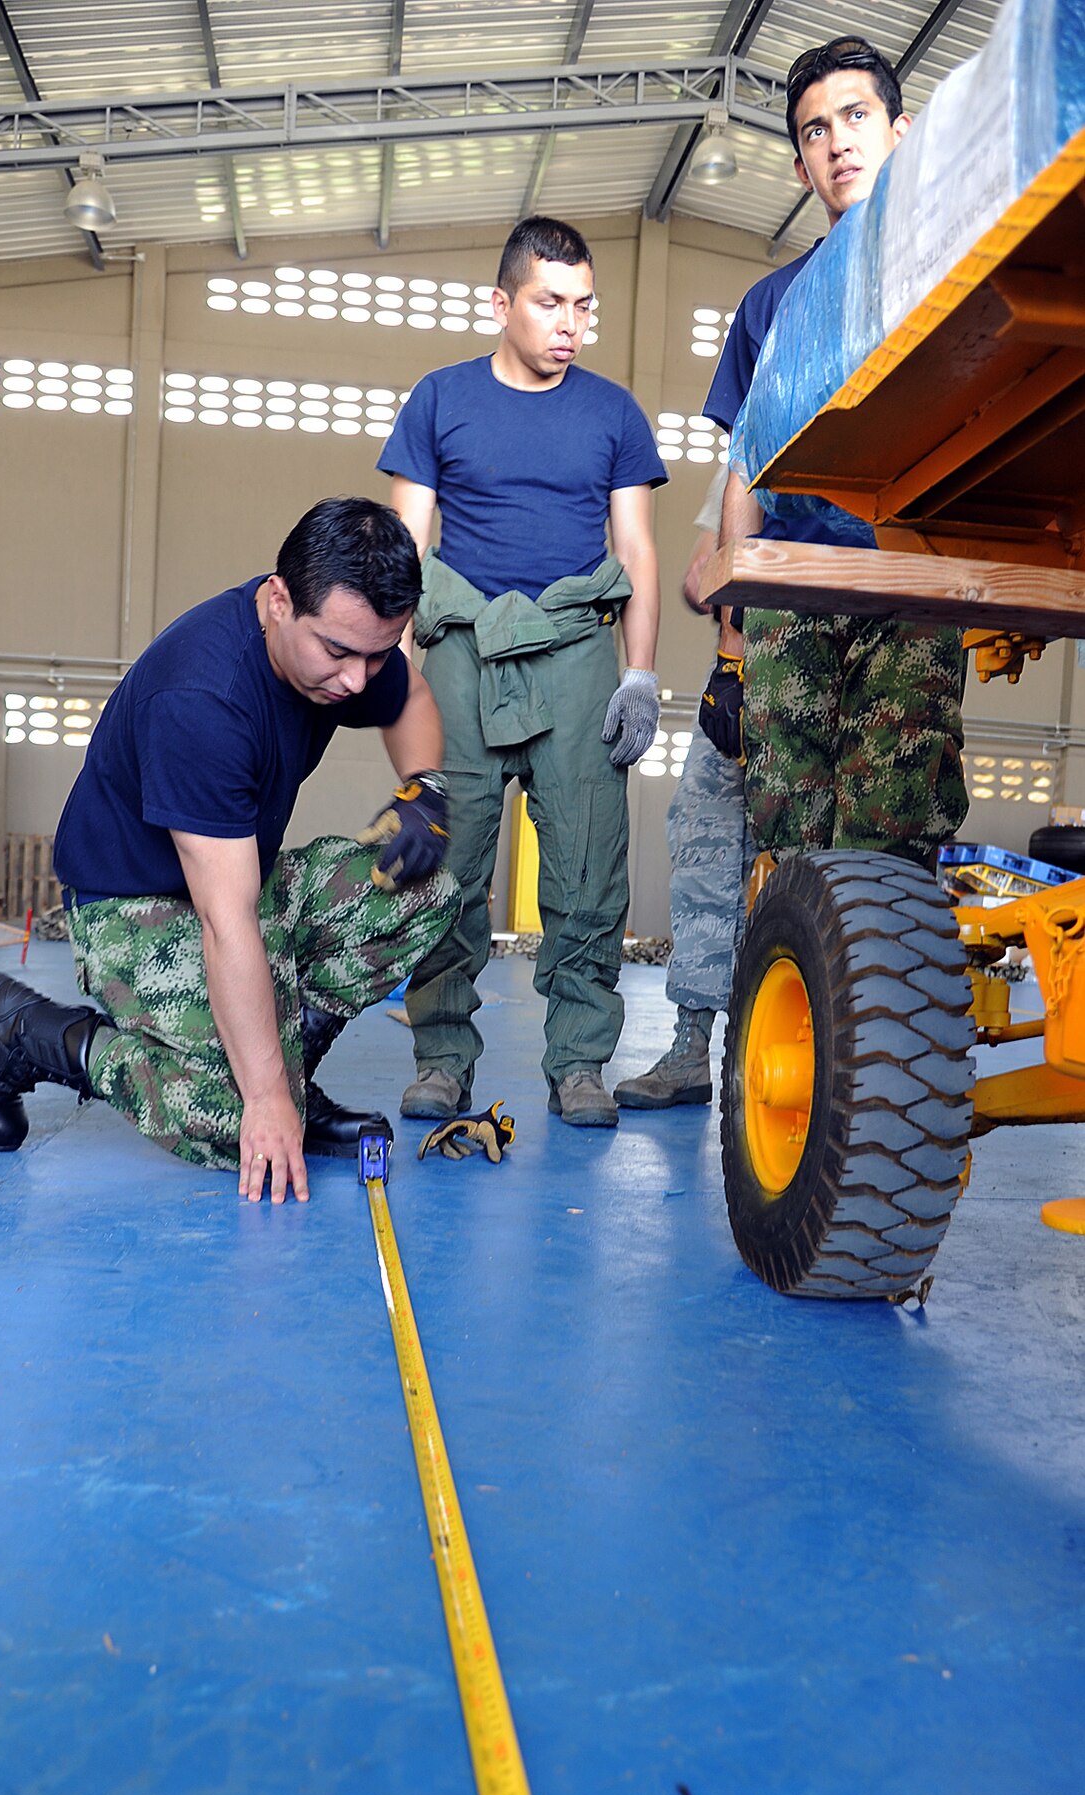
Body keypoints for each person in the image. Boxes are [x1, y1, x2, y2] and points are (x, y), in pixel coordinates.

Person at [0, 498, 461, 1204]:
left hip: (236, 879)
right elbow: (227, 921)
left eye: (378, 652)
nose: (355, 682)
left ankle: (289, 1080)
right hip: (133, 903)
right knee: (231, 1119)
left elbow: (410, 698)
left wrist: (423, 789)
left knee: (424, 890)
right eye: (338, 653)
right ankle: (27, 1031)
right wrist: (265, 1100)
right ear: (278, 601)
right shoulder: (201, 697)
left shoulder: (344, 648)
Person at [377, 214, 667, 1129]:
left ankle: (578, 1061)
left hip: (577, 649)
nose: (569, 323)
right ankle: (440, 1058)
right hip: (460, 644)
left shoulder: (613, 412)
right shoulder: (439, 398)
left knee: (587, 861)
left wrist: (640, 673)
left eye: (584, 306)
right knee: (442, 857)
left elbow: (637, 548)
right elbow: (403, 543)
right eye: (549, 303)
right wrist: (389, 666)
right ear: (502, 302)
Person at [704, 35, 967, 870]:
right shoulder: (769, 305)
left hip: (910, 588)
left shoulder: (958, 265)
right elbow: (744, 469)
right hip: (791, 597)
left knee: (888, 843)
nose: (837, 140)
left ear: (901, 131)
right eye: (814, 130)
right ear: (800, 166)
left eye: (855, 116)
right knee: (788, 856)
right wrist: (727, 653)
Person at [614, 468, 750, 1110]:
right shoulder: (755, 443)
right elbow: (703, 569)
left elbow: (704, 573)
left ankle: (735, 1047)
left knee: (794, 853)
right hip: (750, 658)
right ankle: (693, 1049)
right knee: (706, 834)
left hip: (816, 650)